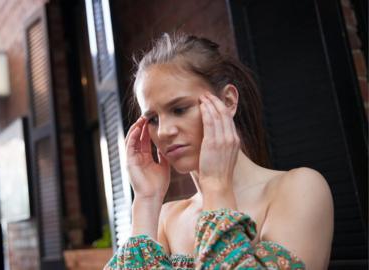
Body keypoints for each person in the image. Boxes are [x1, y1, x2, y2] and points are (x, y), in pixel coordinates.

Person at [104, 33, 334, 269]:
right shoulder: (165, 218)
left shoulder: (299, 189)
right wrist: (145, 200)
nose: (163, 132)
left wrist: (216, 186)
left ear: (228, 101)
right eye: (152, 119)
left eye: (180, 109)